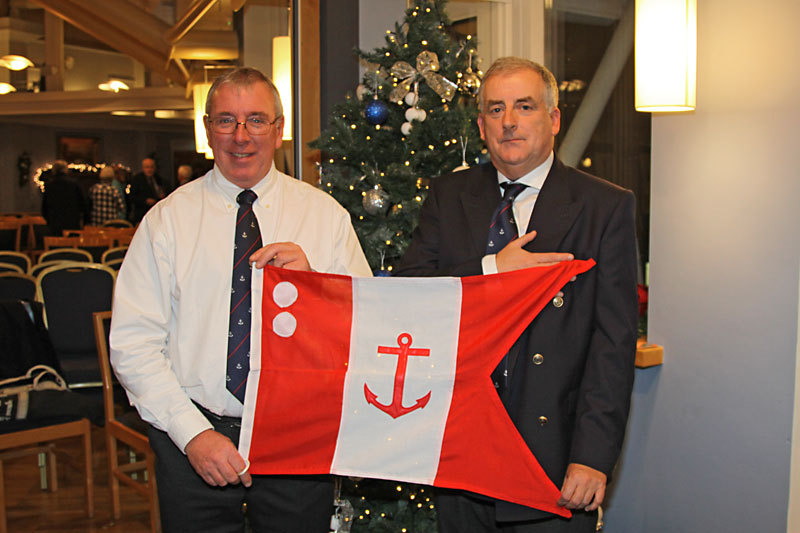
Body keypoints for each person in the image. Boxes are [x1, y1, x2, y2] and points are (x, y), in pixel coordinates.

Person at [110, 67, 371, 532]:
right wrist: (193, 435)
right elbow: (134, 344)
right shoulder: (166, 222)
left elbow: (365, 328)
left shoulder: (325, 217)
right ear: (209, 128)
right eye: (226, 120)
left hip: (297, 437)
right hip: (191, 436)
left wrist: (314, 287)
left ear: (279, 129)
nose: (241, 136)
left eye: (256, 120)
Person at [395, 57, 638, 532]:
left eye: (524, 107)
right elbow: (409, 297)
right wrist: (491, 268)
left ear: (552, 119)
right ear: (482, 125)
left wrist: (593, 456)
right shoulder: (449, 196)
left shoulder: (604, 206)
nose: (508, 122)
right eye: (495, 109)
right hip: (461, 457)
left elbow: (613, 345)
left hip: (552, 462)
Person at [41, 160, 87, 236]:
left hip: (55, 225)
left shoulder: (49, 186)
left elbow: (44, 208)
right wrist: (83, 222)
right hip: (72, 225)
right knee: (72, 247)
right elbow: (83, 205)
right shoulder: (74, 184)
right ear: (66, 170)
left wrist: (50, 221)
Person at [128, 157, 165, 224]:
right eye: (147, 167)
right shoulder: (137, 179)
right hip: (141, 214)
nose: (149, 170)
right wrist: (145, 201)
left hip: (155, 214)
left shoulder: (158, 179)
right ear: (143, 168)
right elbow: (131, 197)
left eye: (151, 167)